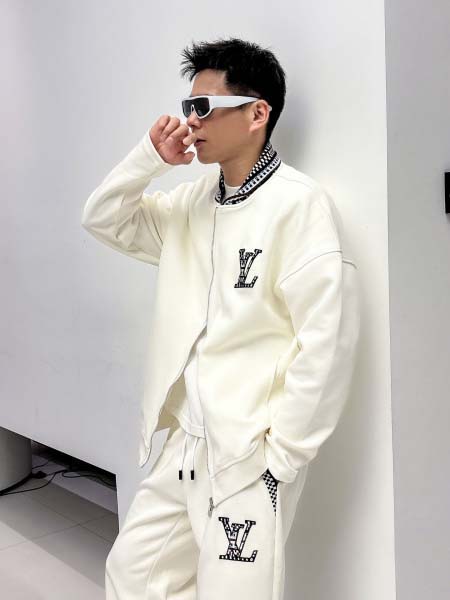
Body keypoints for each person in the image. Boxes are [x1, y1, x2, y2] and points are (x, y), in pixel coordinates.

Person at [81, 36, 360, 600]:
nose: (192, 120)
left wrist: (282, 460)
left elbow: (327, 343)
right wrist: (150, 159)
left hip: (250, 456)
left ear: (257, 114)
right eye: (189, 106)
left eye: (205, 107)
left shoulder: (298, 206)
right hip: (185, 442)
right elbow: (103, 218)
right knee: (133, 576)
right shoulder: (192, 202)